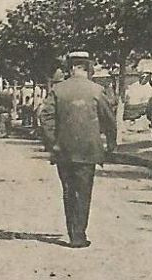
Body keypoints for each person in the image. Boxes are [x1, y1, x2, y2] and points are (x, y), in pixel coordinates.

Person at [40, 52, 117, 248]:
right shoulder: (97, 90)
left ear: (71, 67)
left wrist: (53, 143)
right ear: (87, 67)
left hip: (63, 149)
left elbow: (45, 118)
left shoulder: (57, 90)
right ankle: (78, 235)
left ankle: (72, 232)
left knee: (68, 191)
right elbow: (109, 120)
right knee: (83, 192)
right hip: (88, 151)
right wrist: (111, 144)